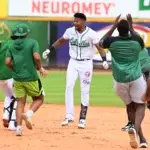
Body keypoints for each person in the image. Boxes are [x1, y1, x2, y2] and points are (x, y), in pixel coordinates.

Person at [42, 13, 109, 129]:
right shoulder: (70, 31)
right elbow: (61, 41)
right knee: (69, 86)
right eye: (74, 21)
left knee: (85, 90)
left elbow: (100, 47)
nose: (75, 23)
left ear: (83, 21)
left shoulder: (92, 34)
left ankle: (82, 119)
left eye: (77, 21)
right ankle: (69, 116)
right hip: (73, 62)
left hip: (86, 63)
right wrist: (49, 50)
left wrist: (104, 60)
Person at [99, 14, 147, 148]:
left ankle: (140, 136)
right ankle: (136, 130)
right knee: (140, 106)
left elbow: (101, 42)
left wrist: (113, 26)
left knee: (130, 106)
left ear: (117, 30)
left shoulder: (112, 42)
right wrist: (131, 26)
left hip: (120, 80)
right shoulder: (136, 41)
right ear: (129, 30)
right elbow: (137, 38)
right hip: (136, 78)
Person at [5, 23, 48, 136]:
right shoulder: (33, 42)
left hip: (17, 78)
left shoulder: (10, 44)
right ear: (27, 33)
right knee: (39, 98)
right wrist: (40, 68)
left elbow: (7, 62)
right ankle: (29, 114)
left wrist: (15, 69)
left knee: (20, 103)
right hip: (31, 77)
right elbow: (37, 57)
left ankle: (18, 128)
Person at [122, 47, 150, 134]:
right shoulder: (143, 48)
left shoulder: (131, 49)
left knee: (132, 101)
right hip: (144, 72)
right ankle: (131, 123)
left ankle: (131, 123)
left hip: (140, 73)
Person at [0, 36, 17, 131]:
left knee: (9, 96)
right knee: (19, 98)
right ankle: (13, 123)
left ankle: (6, 115)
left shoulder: (3, 45)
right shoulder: (14, 45)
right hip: (11, 76)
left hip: (0, 78)